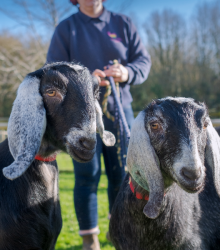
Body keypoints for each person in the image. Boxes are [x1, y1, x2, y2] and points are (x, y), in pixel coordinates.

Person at [47, 0, 151, 249]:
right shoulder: (66, 28)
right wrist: (85, 79)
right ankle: (89, 240)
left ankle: (118, 232)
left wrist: (126, 72)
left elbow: (142, 61)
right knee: (86, 177)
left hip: (120, 111)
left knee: (122, 177)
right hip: (80, 116)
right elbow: (53, 70)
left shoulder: (122, 23)